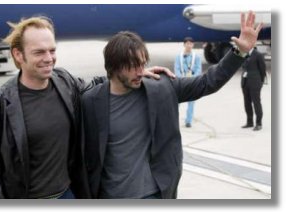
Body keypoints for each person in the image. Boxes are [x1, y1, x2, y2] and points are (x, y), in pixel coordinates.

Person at [0, 16, 172, 199]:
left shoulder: (65, 83)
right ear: (18, 54)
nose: (49, 58)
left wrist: (134, 73)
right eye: (39, 52)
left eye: (52, 50)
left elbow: (97, 84)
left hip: (68, 194)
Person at [81, 11, 263, 199]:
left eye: (142, 64)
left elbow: (207, 82)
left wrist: (239, 52)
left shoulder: (161, 88)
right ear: (114, 66)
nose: (140, 71)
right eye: (133, 65)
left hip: (153, 195)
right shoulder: (91, 101)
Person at [174, 36, 202, 128]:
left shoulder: (196, 57)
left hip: (191, 81)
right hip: (181, 81)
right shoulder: (179, 57)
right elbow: (176, 68)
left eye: (190, 43)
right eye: (187, 43)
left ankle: (188, 121)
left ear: (193, 45)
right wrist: (181, 78)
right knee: (176, 102)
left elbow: (198, 69)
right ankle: (174, 120)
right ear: (184, 44)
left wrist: (193, 78)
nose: (189, 45)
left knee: (191, 102)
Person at [241, 47, 266, 131]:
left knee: (256, 103)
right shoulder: (243, 53)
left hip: (255, 82)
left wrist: (261, 81)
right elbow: (239, 62)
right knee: (247, 103)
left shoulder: (258, 54)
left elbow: (263, 69)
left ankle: (259, 123)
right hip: (245, 81)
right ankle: (249, 122)